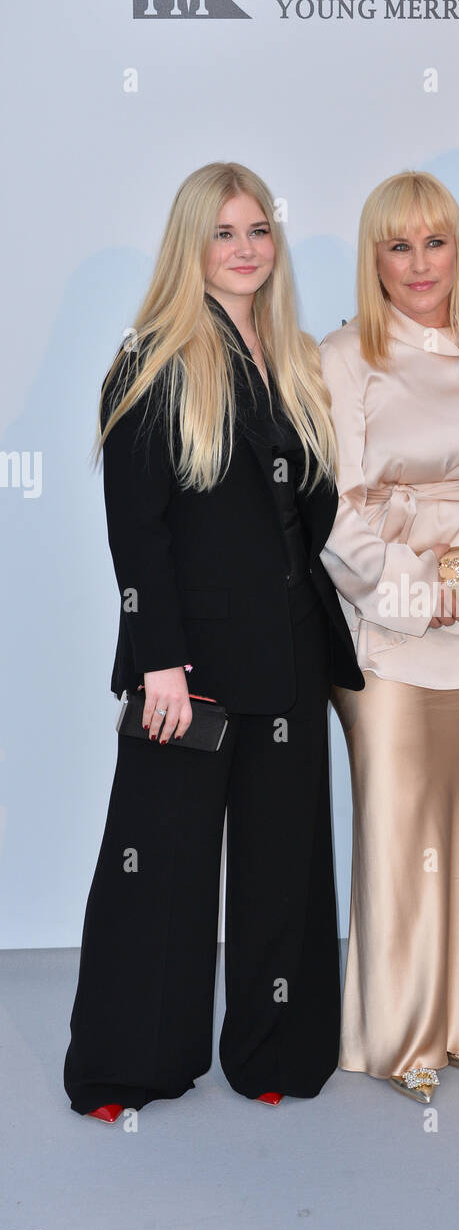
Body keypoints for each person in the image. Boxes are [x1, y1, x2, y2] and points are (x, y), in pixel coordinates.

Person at [63, 161, 364, 1120]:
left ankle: (278, 1050)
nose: (245, 250)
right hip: (185, 669)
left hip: (289, 653)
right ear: (190, 247)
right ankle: (129, 1066)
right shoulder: (151, 358)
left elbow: (313, 516)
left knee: (287, 868)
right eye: (224, 233)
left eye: (258, 231)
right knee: (158, 871)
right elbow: (136, 529)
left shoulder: (296, 357)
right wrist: (158, 660)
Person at [320, 171, 459, 1103]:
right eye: (397, 246)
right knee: (399, 816)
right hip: (388, 614)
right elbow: (329, 510)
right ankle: (398, 1031)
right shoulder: (342, 353)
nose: (418, 264)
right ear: (374, 259)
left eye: (435, 242)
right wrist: (411, 588)